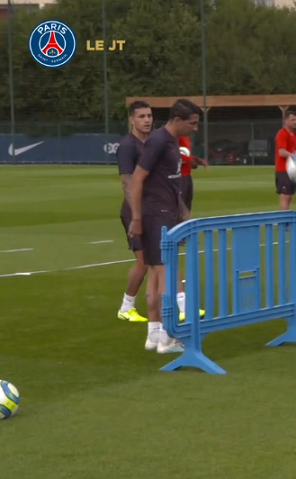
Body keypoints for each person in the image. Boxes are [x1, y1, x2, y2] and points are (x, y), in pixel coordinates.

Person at [128, 99, 201, 354]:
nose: (195, 128)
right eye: (192, 123)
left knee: (157, 275)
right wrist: (137, 218)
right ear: (177, 120)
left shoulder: (170, 142)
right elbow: (137, 179)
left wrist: (181, 210)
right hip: (155, 215)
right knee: (167, 274)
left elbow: (169, 182)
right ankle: (170, 336)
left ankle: (155, 334)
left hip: (164, 212)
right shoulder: (159, 141)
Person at [116, 100, 152, 323]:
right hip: (134, 212)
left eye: (149, 116)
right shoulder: (128, 147)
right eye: (141, 116)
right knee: (145, 262)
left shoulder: (152, 144)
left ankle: (178, 304)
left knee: (156, 261)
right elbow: (127, 182)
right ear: (131, 120)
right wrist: (136, 215)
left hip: (152, 209)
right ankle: (126, 307)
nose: (147, 120)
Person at [177, 135, 207, 322]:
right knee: (181, 207)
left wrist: (194, 160)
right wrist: (191, 162)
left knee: (187, 205)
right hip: (179, 177)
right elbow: (179, 157)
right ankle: (180, 234)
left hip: (187, 176)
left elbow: (187, 156)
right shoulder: (174, 138)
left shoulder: (187, 139)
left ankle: (184, 232)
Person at [274, 110, 296, 210]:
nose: (295, 122)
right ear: (286, 121)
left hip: (292, 170)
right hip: (283, 170)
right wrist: (294, 156)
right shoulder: (282, 134)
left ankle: (286, 221)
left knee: (290, 195)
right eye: (292, 119)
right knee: (285, 196)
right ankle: (283, 221)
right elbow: (282, 152)